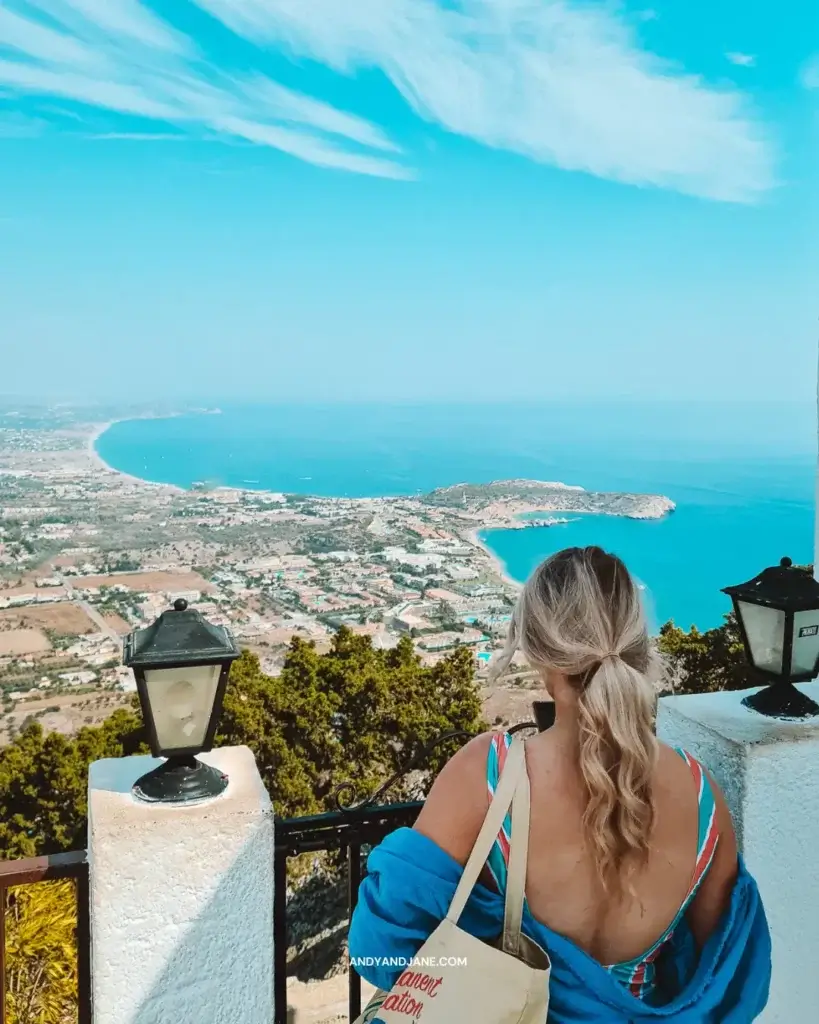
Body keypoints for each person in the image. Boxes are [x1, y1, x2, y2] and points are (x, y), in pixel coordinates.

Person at [349, 546, 771, 1021]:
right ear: (637, 643)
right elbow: (726, 976)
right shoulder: (700, 795)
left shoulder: (490, 775)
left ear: (537, 651)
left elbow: (382, 946)